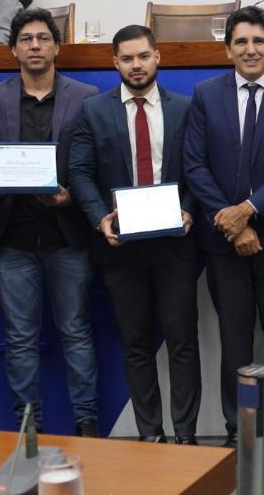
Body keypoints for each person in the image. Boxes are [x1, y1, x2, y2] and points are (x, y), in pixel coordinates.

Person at [182, 6, 264, 465]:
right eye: (241, 42)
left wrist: (249, 212)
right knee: (234, 337)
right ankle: (238, 429)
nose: (250, 49)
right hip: (220, 239)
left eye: (259, 41)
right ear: (228, 49)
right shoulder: (205, 94)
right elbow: (194, 164)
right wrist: (229, 220)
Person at [68, 24, 201, 445]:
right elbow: (80, 173)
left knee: (182, 342)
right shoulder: (93, 110)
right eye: (127, 58)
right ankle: (150, 437)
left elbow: (199, 169)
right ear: (115, 63)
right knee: (137, 345)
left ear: (157, 56)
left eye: (143, 56)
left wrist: (191, 210)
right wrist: (98, 218)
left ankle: (185, 436)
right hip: (121, 246)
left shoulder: (185, 107)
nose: (136, 65)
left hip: (175, 245)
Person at [0, 8, 100, 435]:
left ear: (57, 47)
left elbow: (92, 164)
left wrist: (70, 198)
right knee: (21, 339)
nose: (35, 46)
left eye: (43, 38)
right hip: (12, 238)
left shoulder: (84, 96)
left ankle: (86, 421)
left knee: (76, 333)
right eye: (26, 39)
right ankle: (28, 425)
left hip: (68, 236)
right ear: (12, 49)